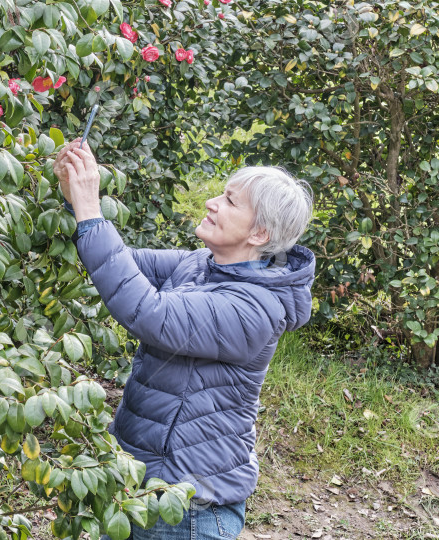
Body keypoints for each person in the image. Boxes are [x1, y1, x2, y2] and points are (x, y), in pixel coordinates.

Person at [53, 140, 315, 540]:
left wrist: (92, 210)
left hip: (186, 511)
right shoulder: (201, 264)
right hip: (138, 486)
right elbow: (117, 262)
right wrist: (76, 202)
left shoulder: (255, 309)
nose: (212, 202)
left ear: (260, 232)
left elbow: (146, 312)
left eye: (229, 201)